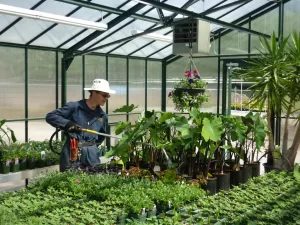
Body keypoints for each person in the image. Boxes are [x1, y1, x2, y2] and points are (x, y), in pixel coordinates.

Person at [46, 79, 116, 172]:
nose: (106, 98)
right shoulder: (74, 107)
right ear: (94, 93)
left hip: (92, 154)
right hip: (72, 150)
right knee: (69, 180)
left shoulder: (102, 116)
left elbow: (101, 136)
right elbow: (51, 116)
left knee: (93, 180)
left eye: (108, 96)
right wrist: (68, 124)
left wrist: (91, 146)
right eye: (104, 95)